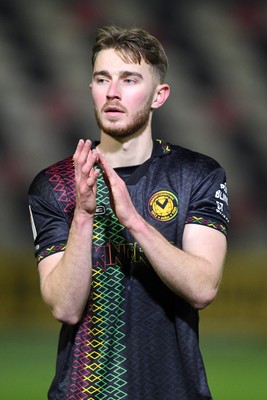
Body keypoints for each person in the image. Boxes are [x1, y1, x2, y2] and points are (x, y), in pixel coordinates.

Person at [28, 25, 230, 400]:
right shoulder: (56, 184)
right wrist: (85, 216)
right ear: (91, 89)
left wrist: (134, 221)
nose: (113, 92)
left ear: (159, 95)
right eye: (102, 79)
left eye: (130, 79)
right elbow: (65, 307)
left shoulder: (196, 174)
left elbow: (203, 288)